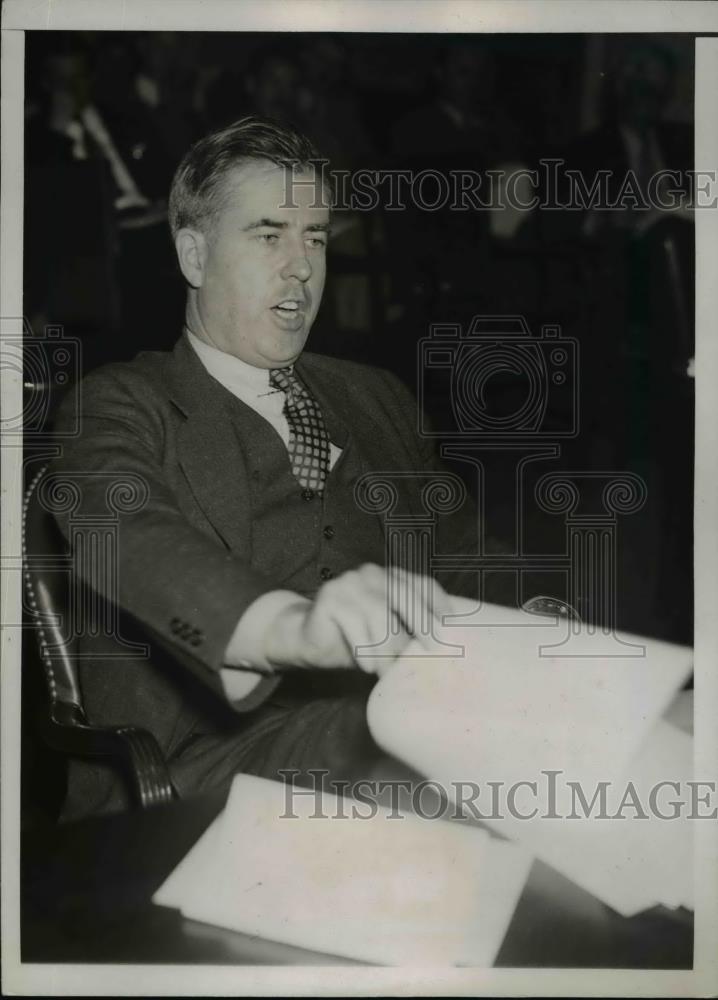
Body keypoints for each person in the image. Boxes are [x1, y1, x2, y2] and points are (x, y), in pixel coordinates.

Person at [50, 116, 493, 820]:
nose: (302, 266)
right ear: (194, 258)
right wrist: (292, 629)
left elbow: (472, 558)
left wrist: (537, 632)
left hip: (396, 731)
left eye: (314, 237)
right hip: (192, 769)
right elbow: (124, 535)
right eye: (268, 235)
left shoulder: (375, 396)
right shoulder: (118, 402)